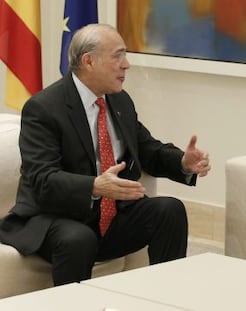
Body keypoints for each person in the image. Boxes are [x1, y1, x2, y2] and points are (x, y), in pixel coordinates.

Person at [0, 23, 210, 286]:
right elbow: (43, 179)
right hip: (56, 217)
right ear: (89, 61)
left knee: (170, 210)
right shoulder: (43, 109)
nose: (126, 64)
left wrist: (182, 162)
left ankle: (166, 295)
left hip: (108, 217)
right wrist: (95, 186)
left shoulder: (119, 100)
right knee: (79, 238)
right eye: (118, 55)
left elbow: (147, 148)